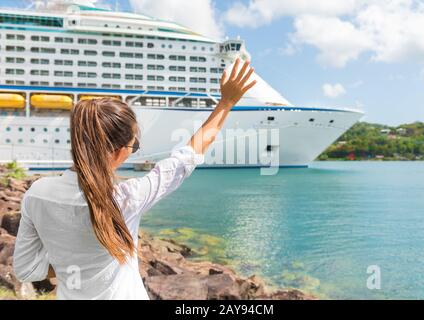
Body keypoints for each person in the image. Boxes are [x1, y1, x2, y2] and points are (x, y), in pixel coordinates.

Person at [13, 58, 256, 299]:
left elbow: (25, 269)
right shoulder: (126, 198)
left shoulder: (37, 193)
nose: (134, 149)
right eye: (134, 145)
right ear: (119, 151)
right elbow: (189, 155)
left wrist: (69, 263)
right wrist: (227, 102)